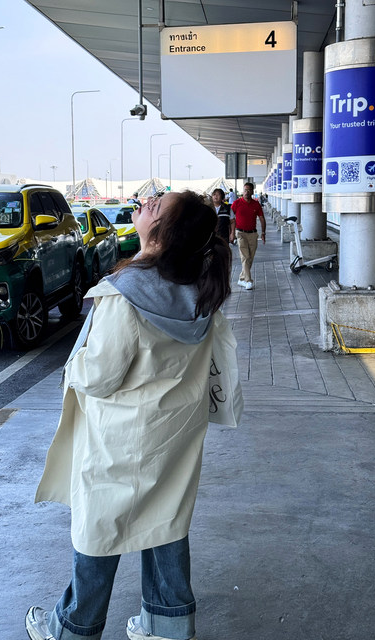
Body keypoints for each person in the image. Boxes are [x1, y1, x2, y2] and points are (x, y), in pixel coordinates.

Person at [25, 190, 241, 640]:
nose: (146, 201)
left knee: (99, 528)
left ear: (164, 232)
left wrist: (74, 364)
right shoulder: (198, 290)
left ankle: (72, 628)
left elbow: (99, 376)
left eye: (157, 205)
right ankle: (166, 626)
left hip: (119, 438)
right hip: (173, 434)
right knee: (166, 520)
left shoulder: (125, 297)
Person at [231, 182, 266, 290]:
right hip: (240, 233)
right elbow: (231, 219)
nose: (246, 192)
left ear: (252, 191)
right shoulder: (236, 203)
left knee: (250, 258)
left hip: (253, 234)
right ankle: (248, 281)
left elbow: (262, 218)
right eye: (245, 190)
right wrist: (231, 233)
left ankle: (241, 279)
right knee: (245, 257)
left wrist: (263, 233)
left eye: (249, 190)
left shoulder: (256, 204)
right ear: (243, 191)